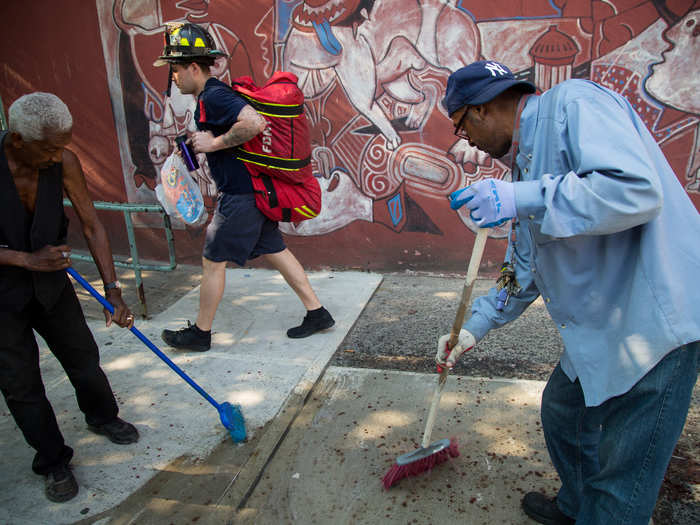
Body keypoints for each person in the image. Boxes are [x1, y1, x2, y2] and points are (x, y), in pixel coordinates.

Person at [436, 60, 700, 525]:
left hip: (656, 320)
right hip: (604, 321)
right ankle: (579, 505)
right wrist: (471, 328)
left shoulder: (574, 104)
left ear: (479, 111)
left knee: (623, 482)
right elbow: (522, 268)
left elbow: (636, 190)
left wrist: (522, 197)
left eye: (460, 127)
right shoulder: (523, 166)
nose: (467, 142)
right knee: (563, 411)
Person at [154, 22, 334, 352]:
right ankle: (318, 313)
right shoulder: (211, 97)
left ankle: (201, 334)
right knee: (276, 251)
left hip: (241, 196)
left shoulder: (215, 95)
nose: (173, 77)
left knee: (212, 261)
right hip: (254, 193)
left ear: (195, 67)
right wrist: (204, 143)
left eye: (176, 69)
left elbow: (254, 123)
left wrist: (214, 144)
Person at [0, 92, 139, 503]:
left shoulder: (63, 161)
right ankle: (53, 460)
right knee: (20, 384)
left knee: (83, 358)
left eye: (64, 144)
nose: (58, 155)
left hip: (52, 286)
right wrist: (24, 258)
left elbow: (92, 224)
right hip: (2, 297)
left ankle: (103, 417)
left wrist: (113, 290)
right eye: (49, 148)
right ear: (17, 141)